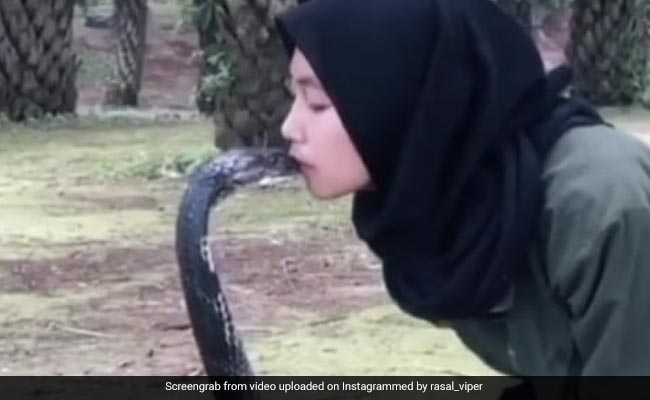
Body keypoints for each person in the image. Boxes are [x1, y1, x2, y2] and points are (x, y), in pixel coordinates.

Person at [275, 0, 650, 396]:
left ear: (401, 95)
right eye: (294, 96)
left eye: (317, 103)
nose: (289, 127)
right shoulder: (446, 211)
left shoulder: (601, 203)